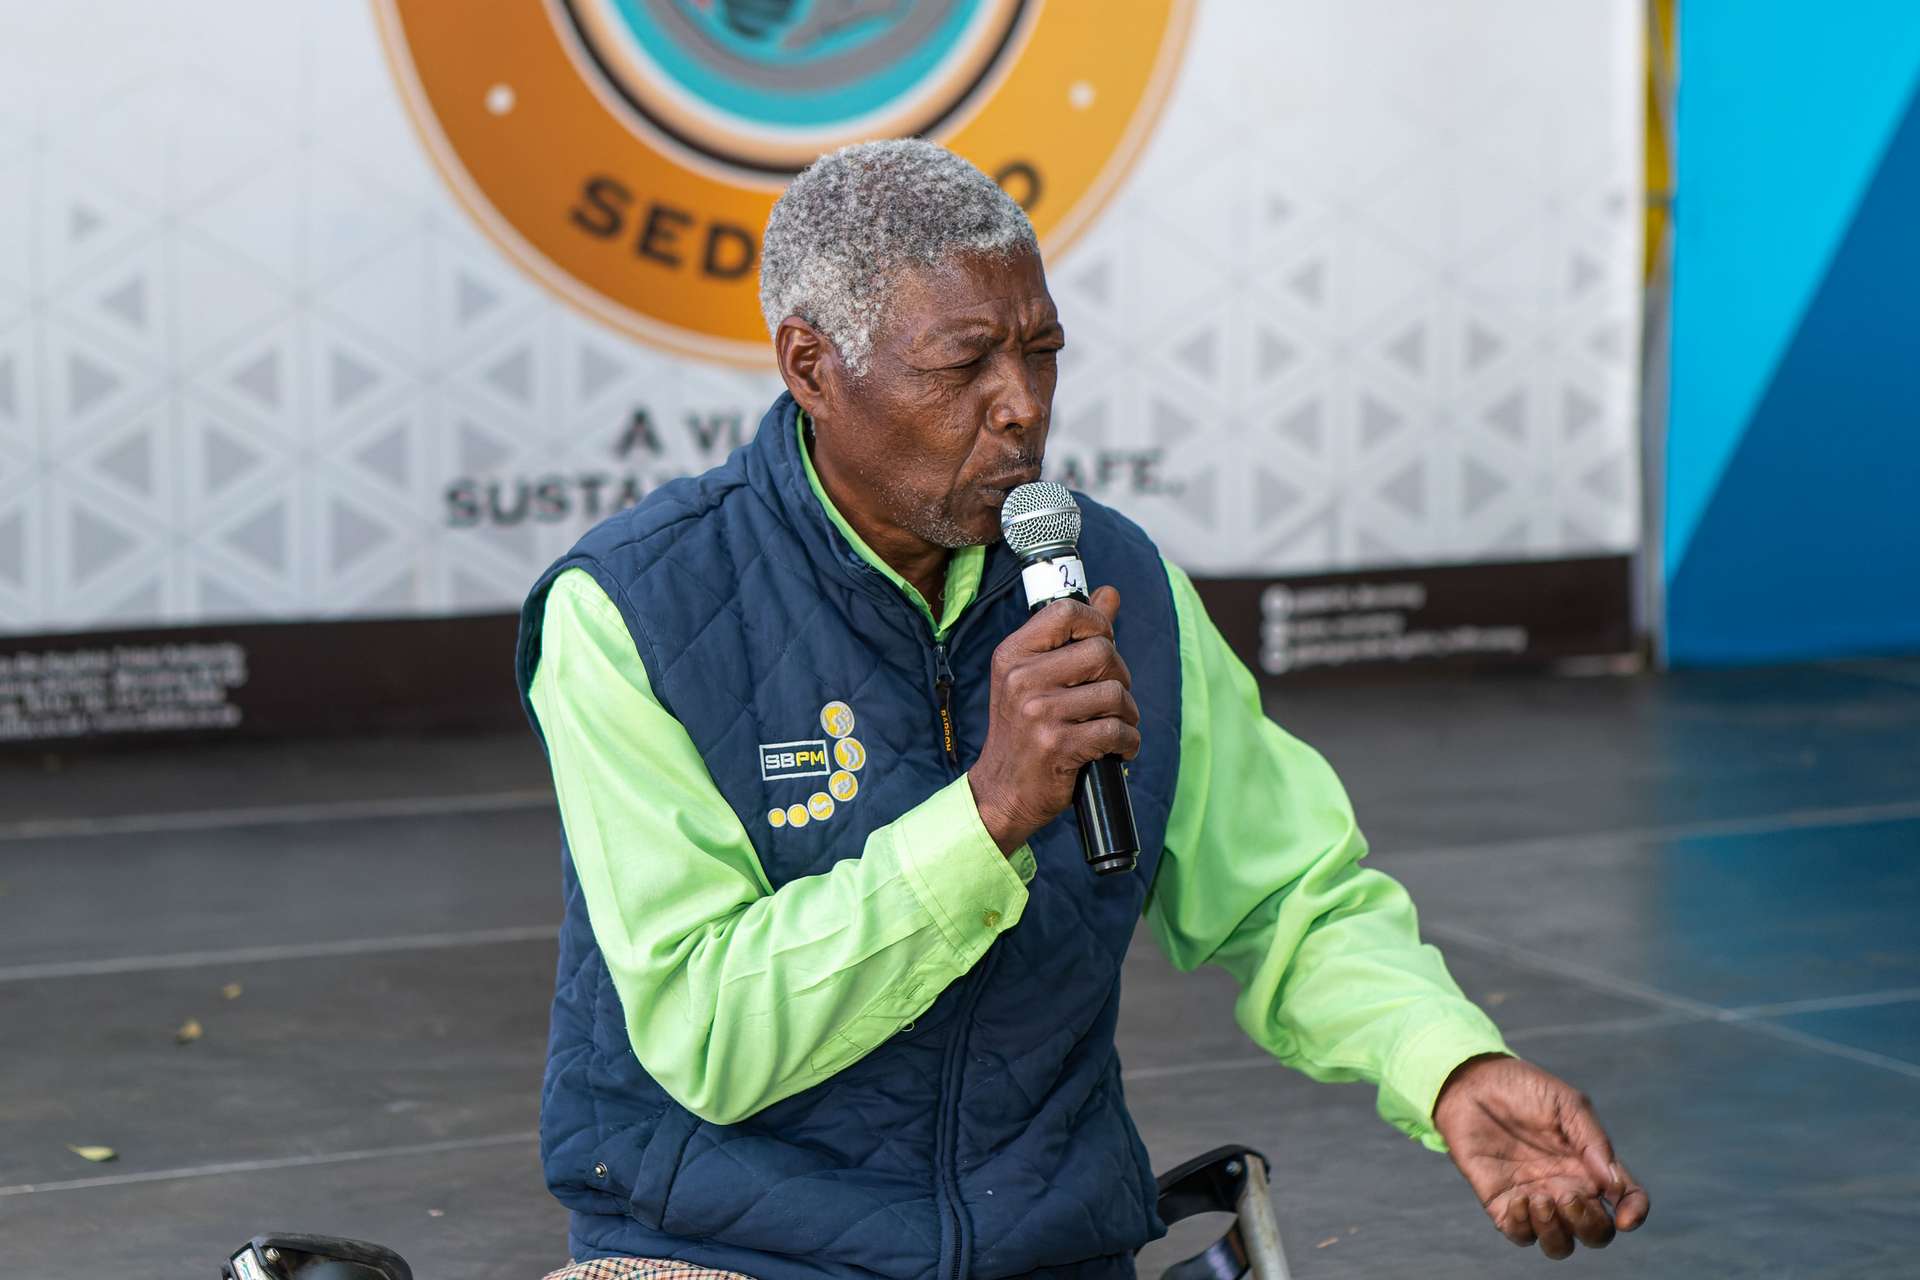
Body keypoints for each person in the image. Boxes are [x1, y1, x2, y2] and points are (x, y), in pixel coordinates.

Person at [514, 139, 1649, 1280]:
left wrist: (1449, 1063)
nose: (1021, 408)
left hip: (1049, 1252)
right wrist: (988, 814)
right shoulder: (631, 610)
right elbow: (709, 1031)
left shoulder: (1117, 580)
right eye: (964, 363)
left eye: (1042, 352)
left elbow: (1286, 896)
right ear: (811, 367)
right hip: (724, 1250)